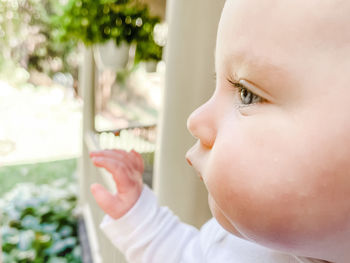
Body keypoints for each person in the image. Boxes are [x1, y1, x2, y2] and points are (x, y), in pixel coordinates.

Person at [89, 0, 350, 262]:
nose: (195, 120)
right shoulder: (243, 243)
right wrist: (141, 220)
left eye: (248, 94)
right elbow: (186, 256)